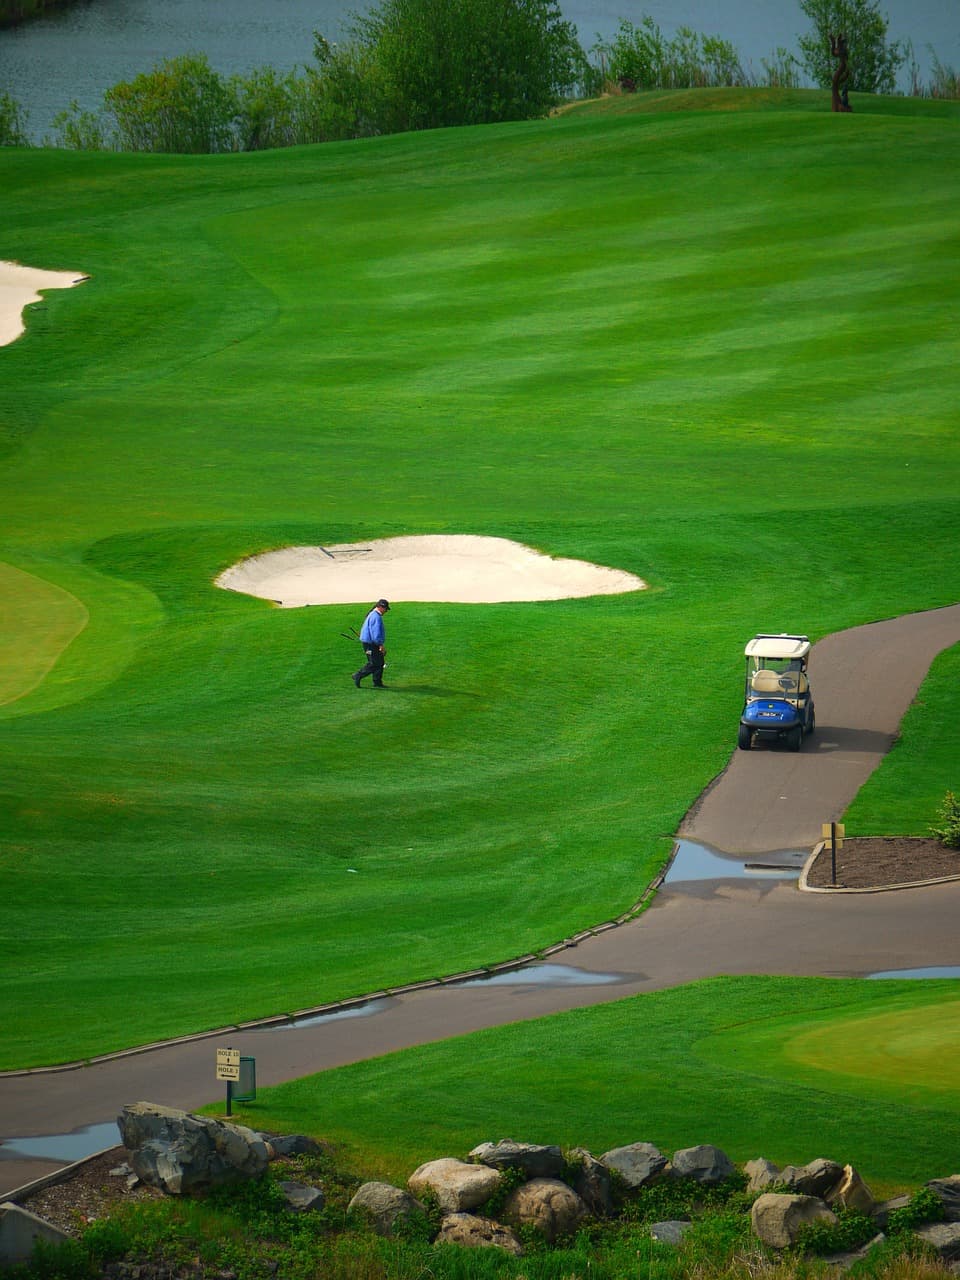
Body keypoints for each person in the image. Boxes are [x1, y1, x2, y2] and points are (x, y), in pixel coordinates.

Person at [353, 599, 390, 688]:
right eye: (385, 609)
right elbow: (376, 634)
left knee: (380, 662)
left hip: (370, 642)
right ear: (381, 607)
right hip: (371, 644)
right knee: (374, 663)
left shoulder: (373, 614)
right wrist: (380, 645)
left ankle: (377, 682)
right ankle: (358, 675)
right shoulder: (376, 617)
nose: (386, 611)